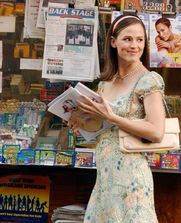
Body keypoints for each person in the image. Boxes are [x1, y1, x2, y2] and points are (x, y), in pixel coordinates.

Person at [68, 14, 165, 222]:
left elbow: (157, 131)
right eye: (127, 39)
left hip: (132, 181)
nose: (134, 45)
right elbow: (103, 128)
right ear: (113, 42)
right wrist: (82, 124)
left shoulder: (149, 80)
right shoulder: (105, 84)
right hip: (104, 178)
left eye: (140, 40)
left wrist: (112, 118)